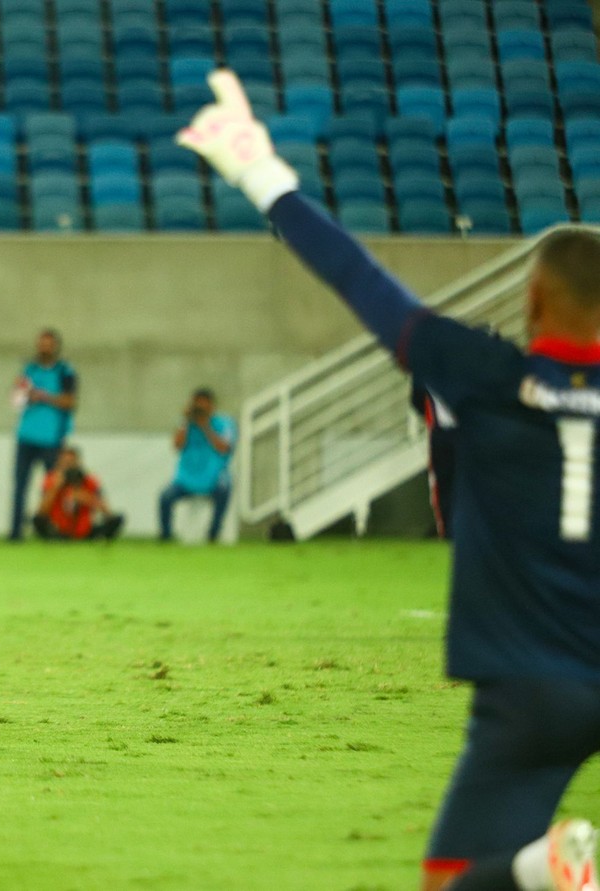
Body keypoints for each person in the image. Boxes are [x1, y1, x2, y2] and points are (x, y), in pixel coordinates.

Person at [178, 70, 600, 890]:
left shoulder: (483, 373)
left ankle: (554, 866)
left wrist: (258, 170)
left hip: (524, 688)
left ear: (534, 296)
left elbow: (361, 280)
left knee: (454, 881)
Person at [9, 328, 78, 540]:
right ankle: (16, 532)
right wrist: (23, 394)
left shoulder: (65, 372)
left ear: (56, 346)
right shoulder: (29, 370)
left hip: (51, 439)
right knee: (20, 485)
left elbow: (70, 402)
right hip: (26, 436)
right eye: (41, 343)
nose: (44, 348)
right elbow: (15, 398)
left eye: (48, 344)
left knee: (52, 488)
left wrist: (43, 396)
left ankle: (50, 531)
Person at [158, 387, 236, 543]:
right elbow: (177, 446)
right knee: (165, 497)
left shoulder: (224, 423)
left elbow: (224, 448)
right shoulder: (186, 424)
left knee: (225, 489)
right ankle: (166, 536)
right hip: (186, 479)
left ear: (212, 406)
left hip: (213, 477)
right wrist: (186, 421)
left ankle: (213, 534)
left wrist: (205, 426)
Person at [32, 445, 124, 540]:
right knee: (37, 521)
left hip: (84, 528)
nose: (68, 466)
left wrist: (87, 498)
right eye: (64, 463)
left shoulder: (89, 480)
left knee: (117, 520)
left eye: (71, 463)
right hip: (59, 529)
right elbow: (41, 513)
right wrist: (54, 489)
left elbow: (107, 511)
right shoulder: (51, 480)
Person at [411, 380, 457, 540]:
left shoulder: (427, 362)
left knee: (445, 492)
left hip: (443, 435)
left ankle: (448, 536)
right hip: (468, 434)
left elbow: (416, 400)